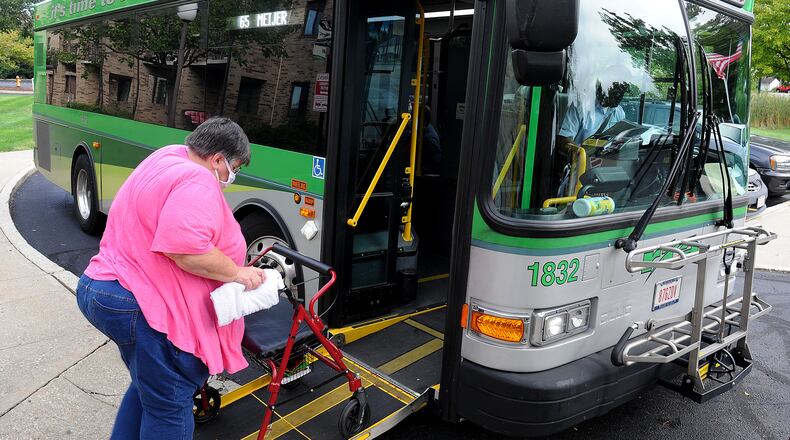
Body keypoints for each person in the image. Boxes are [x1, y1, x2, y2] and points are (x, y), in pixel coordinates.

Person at [76, 117, 266, 439]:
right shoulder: (197, 178)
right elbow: (187, 250)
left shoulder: (169, 156)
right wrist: (238, 273)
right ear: (217, 159)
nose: (231, 177)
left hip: (105, 286)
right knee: (170, 405)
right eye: (233, 168)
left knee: (148, 389)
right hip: (140, 303)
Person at [558, 81, 629, 146]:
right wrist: (579, 153)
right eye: (616, 91)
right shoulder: (581, 107)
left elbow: (620, 139)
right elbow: (564, 138)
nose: (620, 96)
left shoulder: (619, 112)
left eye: (622, 92)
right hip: (580, 157)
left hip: (607, 157)